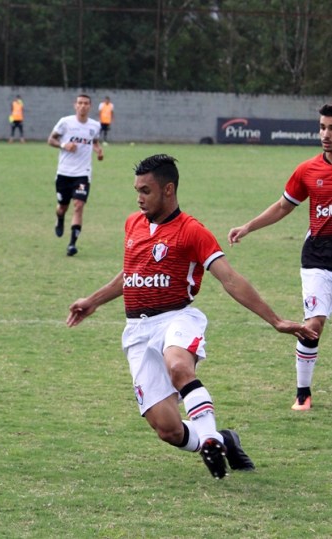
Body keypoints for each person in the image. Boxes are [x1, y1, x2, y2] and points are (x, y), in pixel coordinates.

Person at [67, 154, 316, 479]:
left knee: (178, 366)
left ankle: (209, 438)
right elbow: (131, 274)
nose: (139, 198)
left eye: (146, 191)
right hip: (138, 330)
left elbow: (230, 279)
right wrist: (93, 301)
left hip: (177, 319)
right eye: (137, 191)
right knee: (167, 429)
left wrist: (276, 320)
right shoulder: (133, 224)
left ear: (168, 190)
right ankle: (221, 440)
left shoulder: (192, 231)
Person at [228, 103, 332, 411]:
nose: (326, 135)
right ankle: (303, 393)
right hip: (317, 256)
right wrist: (248, 226)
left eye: (331, 129)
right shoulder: (308, 170)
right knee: (314, 324)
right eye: (322, 127)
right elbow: (284, 206)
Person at [47, 94, 104, 256]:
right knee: (62, 207)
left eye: (86, 103)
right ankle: (60, 218)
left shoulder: (95, 126)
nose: (83, 106)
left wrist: (98, 150)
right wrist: (64, 145)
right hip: (64, 173)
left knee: (78, 206)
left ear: (90, 106)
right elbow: (50, 140)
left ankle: (72, 244)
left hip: (83, 173)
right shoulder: (65, 122)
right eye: (80, 103)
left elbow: (94, 141)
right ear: (75, 105)